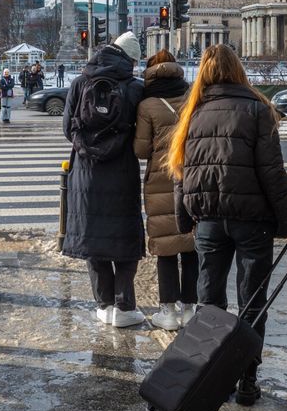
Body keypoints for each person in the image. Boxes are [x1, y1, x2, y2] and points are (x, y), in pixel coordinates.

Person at [169, 44, 287, 406]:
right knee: (253, 302)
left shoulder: (193, 111)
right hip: (252, 223)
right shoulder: (257, 109)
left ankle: (209, 374)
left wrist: (184, 217)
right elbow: (273, 174)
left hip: (209, 222)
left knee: (209, 302)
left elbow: (180, 174)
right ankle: (247, 378)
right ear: (238, 70)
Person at [62, 32, 147, 329]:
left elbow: (67, 128)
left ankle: (104, 305)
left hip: (86, 174)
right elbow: (143, 134)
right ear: (129, 60)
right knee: (125, 238)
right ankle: (124, 306)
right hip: (122, 171)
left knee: (93, 237)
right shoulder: (136, 88)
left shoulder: (79, 82)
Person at [133, 49, 194, 331]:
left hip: (160, 179)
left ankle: (167, 312)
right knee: (191, 245)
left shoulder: (147, 105)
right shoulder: (192, 96)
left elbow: (141, 149)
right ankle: (191, 309)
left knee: (166, 248)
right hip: (191, 176)